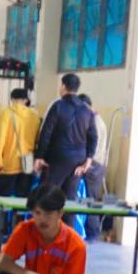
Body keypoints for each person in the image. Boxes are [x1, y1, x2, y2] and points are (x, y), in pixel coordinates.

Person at [33, 73, 97, 212]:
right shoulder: (87, 111)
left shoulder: (58, 106)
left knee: (47, 196)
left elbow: (46, 133)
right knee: (70, 201)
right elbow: (93, 137)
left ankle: (46, 225)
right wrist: (87, 162)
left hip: (57, 158)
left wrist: (39, 156)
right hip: (78, 161)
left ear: (63, 86)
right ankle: (68, 226)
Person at [0, 87, 41, 237]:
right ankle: (19, 230)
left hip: (9, 163)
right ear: (26, 100)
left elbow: (0, 139)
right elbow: (37, 140)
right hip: (28, 163)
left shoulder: (6, 113)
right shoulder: (34, 115)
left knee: (0, 198)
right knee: (22, 200)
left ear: (12, 99)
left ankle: (0, 229)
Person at [77, 93, 108, 239]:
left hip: (93, 165)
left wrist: (84, 164)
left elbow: (92, 146)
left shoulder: (94, 121)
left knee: (90, 200)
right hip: (97, 164)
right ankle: (91, 231)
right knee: (90, 198)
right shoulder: (96, 119)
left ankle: (92, 232)